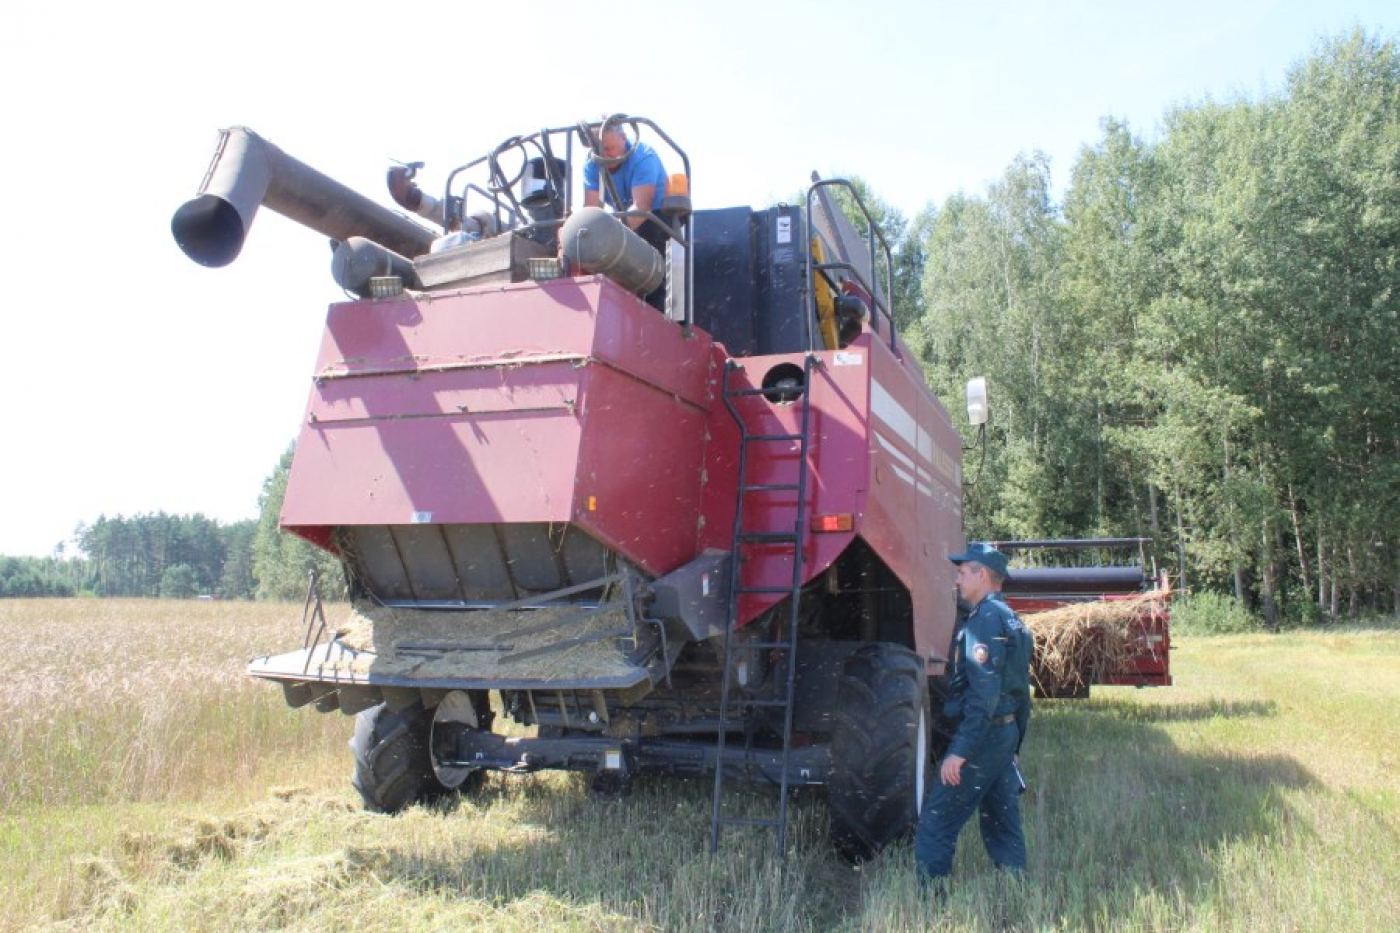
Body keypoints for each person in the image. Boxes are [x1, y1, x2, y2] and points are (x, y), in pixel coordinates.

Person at [914, 542, 1033, 888]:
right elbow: (1021, 693)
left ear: (983, 574)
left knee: (936, 820)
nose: (957, 580)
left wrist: (960, 751)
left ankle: (930, 902)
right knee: (1001, 818)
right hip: (1004, 734)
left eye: (963, 572)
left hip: (982, 738)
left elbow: (984, 697)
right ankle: (1014, 891)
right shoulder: (1012, 619)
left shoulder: (984, 622)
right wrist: (1014, 744)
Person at [581, 121, 671, 255]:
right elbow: (591, 211)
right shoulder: (592, 165)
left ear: (623, 138)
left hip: (657, 219)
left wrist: (607, 238)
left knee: (646, 237)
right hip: (623, 221)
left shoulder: (644, 157)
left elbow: (642, 209)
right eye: (599, 150)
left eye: (608, 149)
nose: (604, 156)